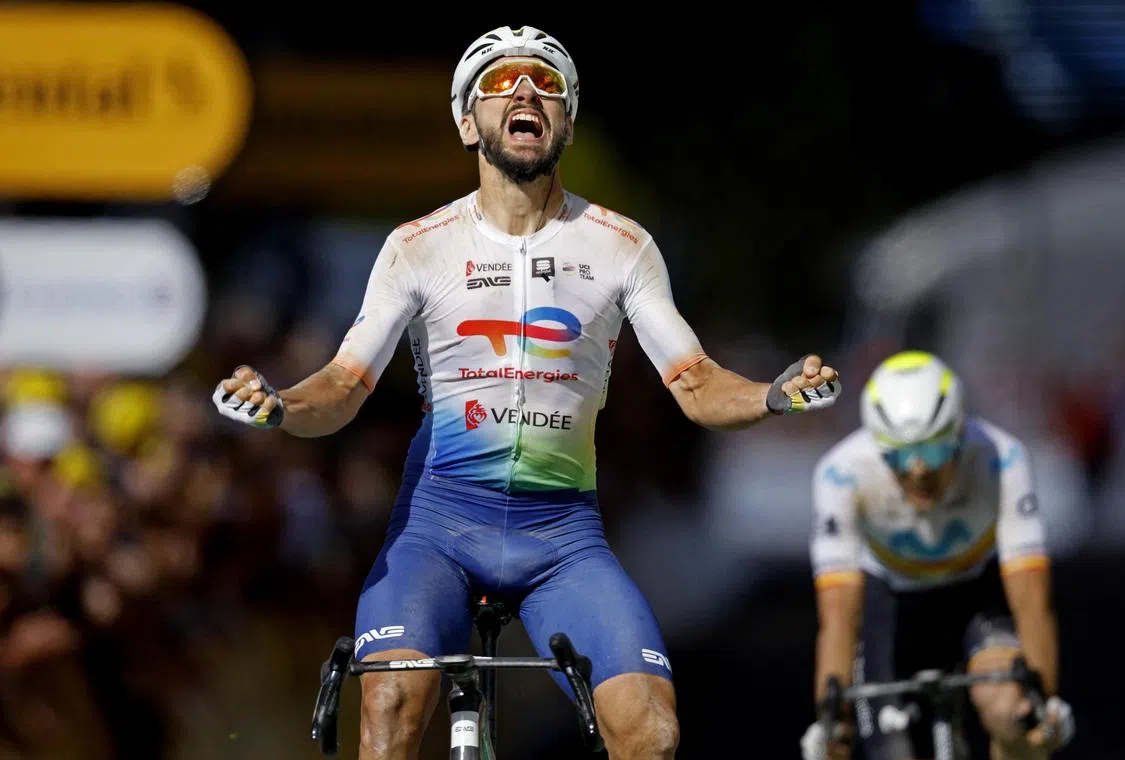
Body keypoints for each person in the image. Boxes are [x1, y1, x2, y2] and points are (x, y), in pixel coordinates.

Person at [212, 25, 842, 760]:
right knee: (388, 708)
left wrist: (772, 394)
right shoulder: (418, 245)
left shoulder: (620, 245)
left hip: (561, 541)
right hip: (437, 530)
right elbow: (344, 386)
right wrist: (282, 403)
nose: (524, 93)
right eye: (500, 82)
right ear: (466, 120)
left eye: (547, 85)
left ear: (567, 121)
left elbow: (697, 385)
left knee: (652, 732)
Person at [799, 351, 1075, 760]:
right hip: (889, 602)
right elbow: (839, 614)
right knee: (890, 751)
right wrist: (830, 718)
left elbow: (1031, 600)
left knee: (1015, 715)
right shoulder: (840, 473)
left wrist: (1045, 701)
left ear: (958, 433)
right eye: (897, 455)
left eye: (932, 452)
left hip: (975, 593)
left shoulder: (1003, 458)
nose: (917, 471)